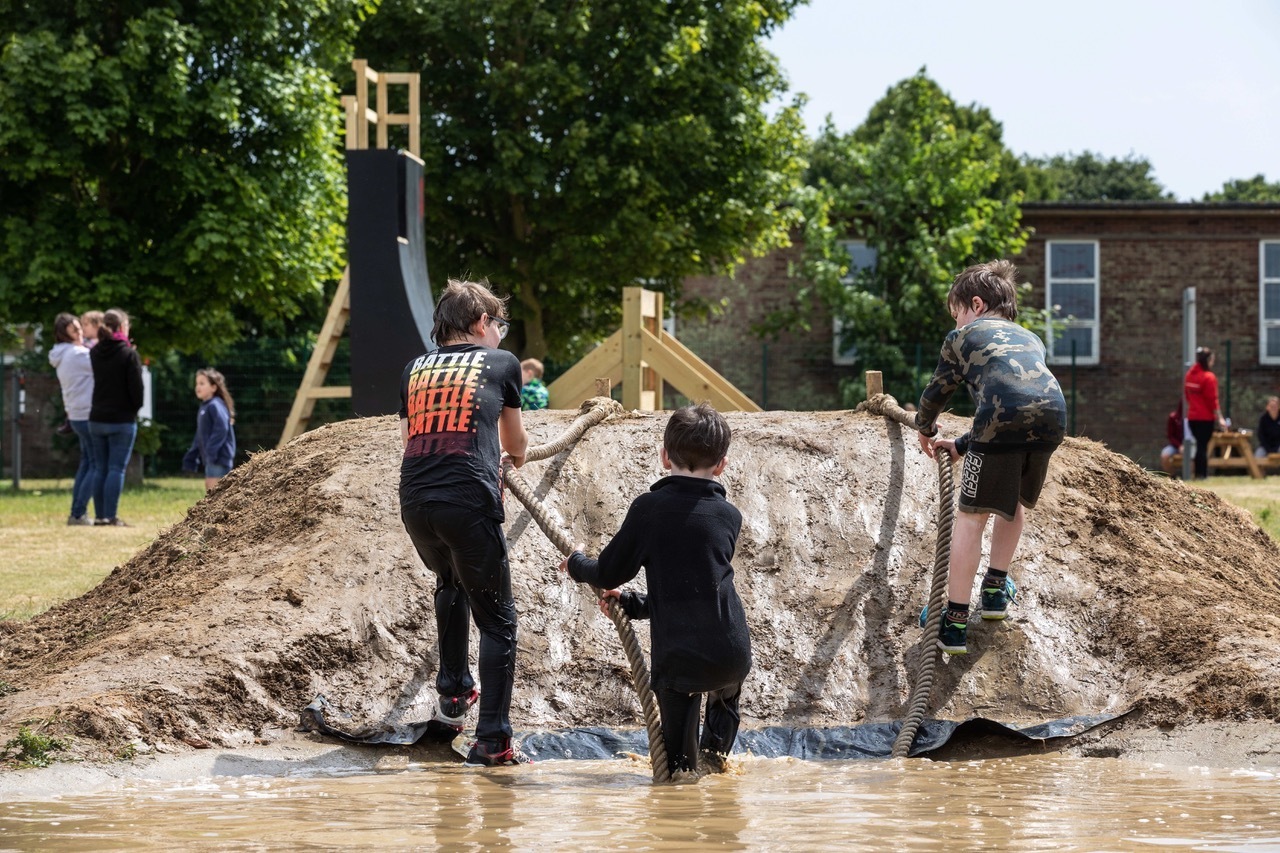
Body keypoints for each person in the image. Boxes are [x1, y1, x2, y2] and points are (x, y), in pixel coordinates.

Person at [560, 403, 751, 775]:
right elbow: (696, 587)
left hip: (681, 659)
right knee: (719, 745)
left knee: (678, 772)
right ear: (722, 465)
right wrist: (632, 604)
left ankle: (686, 790)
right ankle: (717, 768)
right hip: (731, 650)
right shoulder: (730, 515)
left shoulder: (650, 509)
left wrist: (576, 564)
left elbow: (608, 573)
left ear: (665, 457)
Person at [398, 279, 530, 767]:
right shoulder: (502, 363)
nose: (500, 332)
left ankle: (454, 692)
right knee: (498, 619)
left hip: (415, 501)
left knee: (448, 582)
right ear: (480, 323)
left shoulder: (414, 368)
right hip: (467, 500)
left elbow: (412, 436)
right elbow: (515, 444)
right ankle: (493, 738)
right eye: (499, 323)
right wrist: (512, 456)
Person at [915, 260, 1067, 655]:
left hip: (1004, 424)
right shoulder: (1032, 339)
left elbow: (937, 391)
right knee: (1012, 501)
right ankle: (996, 589)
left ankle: (955, 619)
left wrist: (926, 428)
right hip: (1053, 420)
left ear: (976, 305)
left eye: (957, 313)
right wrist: (965, 445)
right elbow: (1015, 400)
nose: (957, 321)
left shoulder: (961, 338)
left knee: (971, 517)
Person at [88, 308, 144, 527]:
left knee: (99, 468)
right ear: (122, 327)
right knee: (115, 469)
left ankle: (100, 516)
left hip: (96, 417)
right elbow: (137, 391)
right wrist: (133, 409)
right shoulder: (129, 354)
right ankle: (110, 516)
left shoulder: (94, 352)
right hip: (121, 419)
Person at [48, 313, 97, 525]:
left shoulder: (62, 354)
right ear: (63, 334)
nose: (80, 333)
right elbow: (103, 367)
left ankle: (77, 512)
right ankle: (78, 514)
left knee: (87, 463)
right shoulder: (78, 354)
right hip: (87, 414)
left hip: (76, 415)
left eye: (80, 328)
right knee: (96, 464)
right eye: (75, 330)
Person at [182, 368, 237, 492]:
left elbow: (221, 428)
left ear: (213, 387)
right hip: (212, 457)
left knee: (214, 490)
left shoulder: (214, 405)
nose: (198, 387)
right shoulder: (205, 406)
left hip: (219, 456)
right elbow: (200, 434)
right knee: (211, 488)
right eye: (197, 383)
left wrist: (211, 452)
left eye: (202, 383)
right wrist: (192, 454)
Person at [1183, 346, 1227, 480]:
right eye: (1212, 360)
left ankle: (1198, 474)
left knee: (1199, 445)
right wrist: (1220, 418)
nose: (1213, 362)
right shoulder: (1209, 377)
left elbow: (1187, 395)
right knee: (1203, 446)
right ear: (1208, 360)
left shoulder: (1189, 375)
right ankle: (1202, 475)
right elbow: (1212, 400)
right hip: (1205, 418)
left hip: (1192, 417)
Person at [1161, 403, 1184, 476]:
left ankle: (1191, 478)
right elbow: (1170, 436)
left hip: (1189, 446)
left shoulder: (1192, 419)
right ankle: (1171, 476)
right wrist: (1179, 446)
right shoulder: (1173, 417)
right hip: (1175, 446)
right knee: (1164, 455)